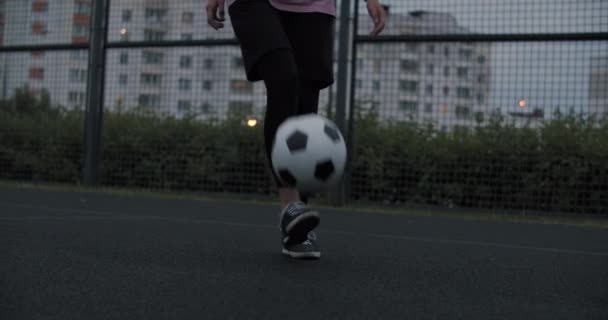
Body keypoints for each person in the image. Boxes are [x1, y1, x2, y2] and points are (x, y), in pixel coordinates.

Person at [207, 0, 386, 259]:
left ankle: (297, 228)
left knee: (305, 101)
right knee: (283, 77)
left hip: (313, 6)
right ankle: (291, 204)